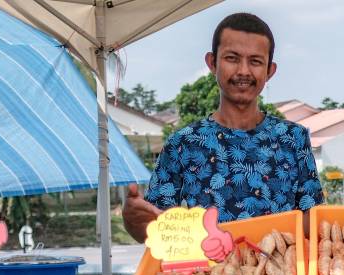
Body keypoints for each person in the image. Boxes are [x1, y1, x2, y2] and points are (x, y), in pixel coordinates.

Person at [123, 13, 324, 242]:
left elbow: (312, 220)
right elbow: (156, 227)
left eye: (255, 61)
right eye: (232, 58)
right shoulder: (183, 144)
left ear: (270, 71)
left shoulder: (294, 139)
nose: (243, 71)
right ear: (212, 62)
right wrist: (134, 221)